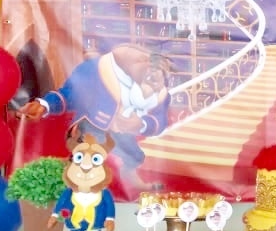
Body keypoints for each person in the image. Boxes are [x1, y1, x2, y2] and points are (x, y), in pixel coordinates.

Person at [19, 43, 170, 191]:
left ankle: (130, 180)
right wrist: (45, 104)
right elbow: (70, 94)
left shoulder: (157, 88)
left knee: (134, 155)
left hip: (122, 134)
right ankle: (74, 184)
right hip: (91, 126)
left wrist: (141, 124)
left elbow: (159, 119)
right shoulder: (94, 69)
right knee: (86, 155)